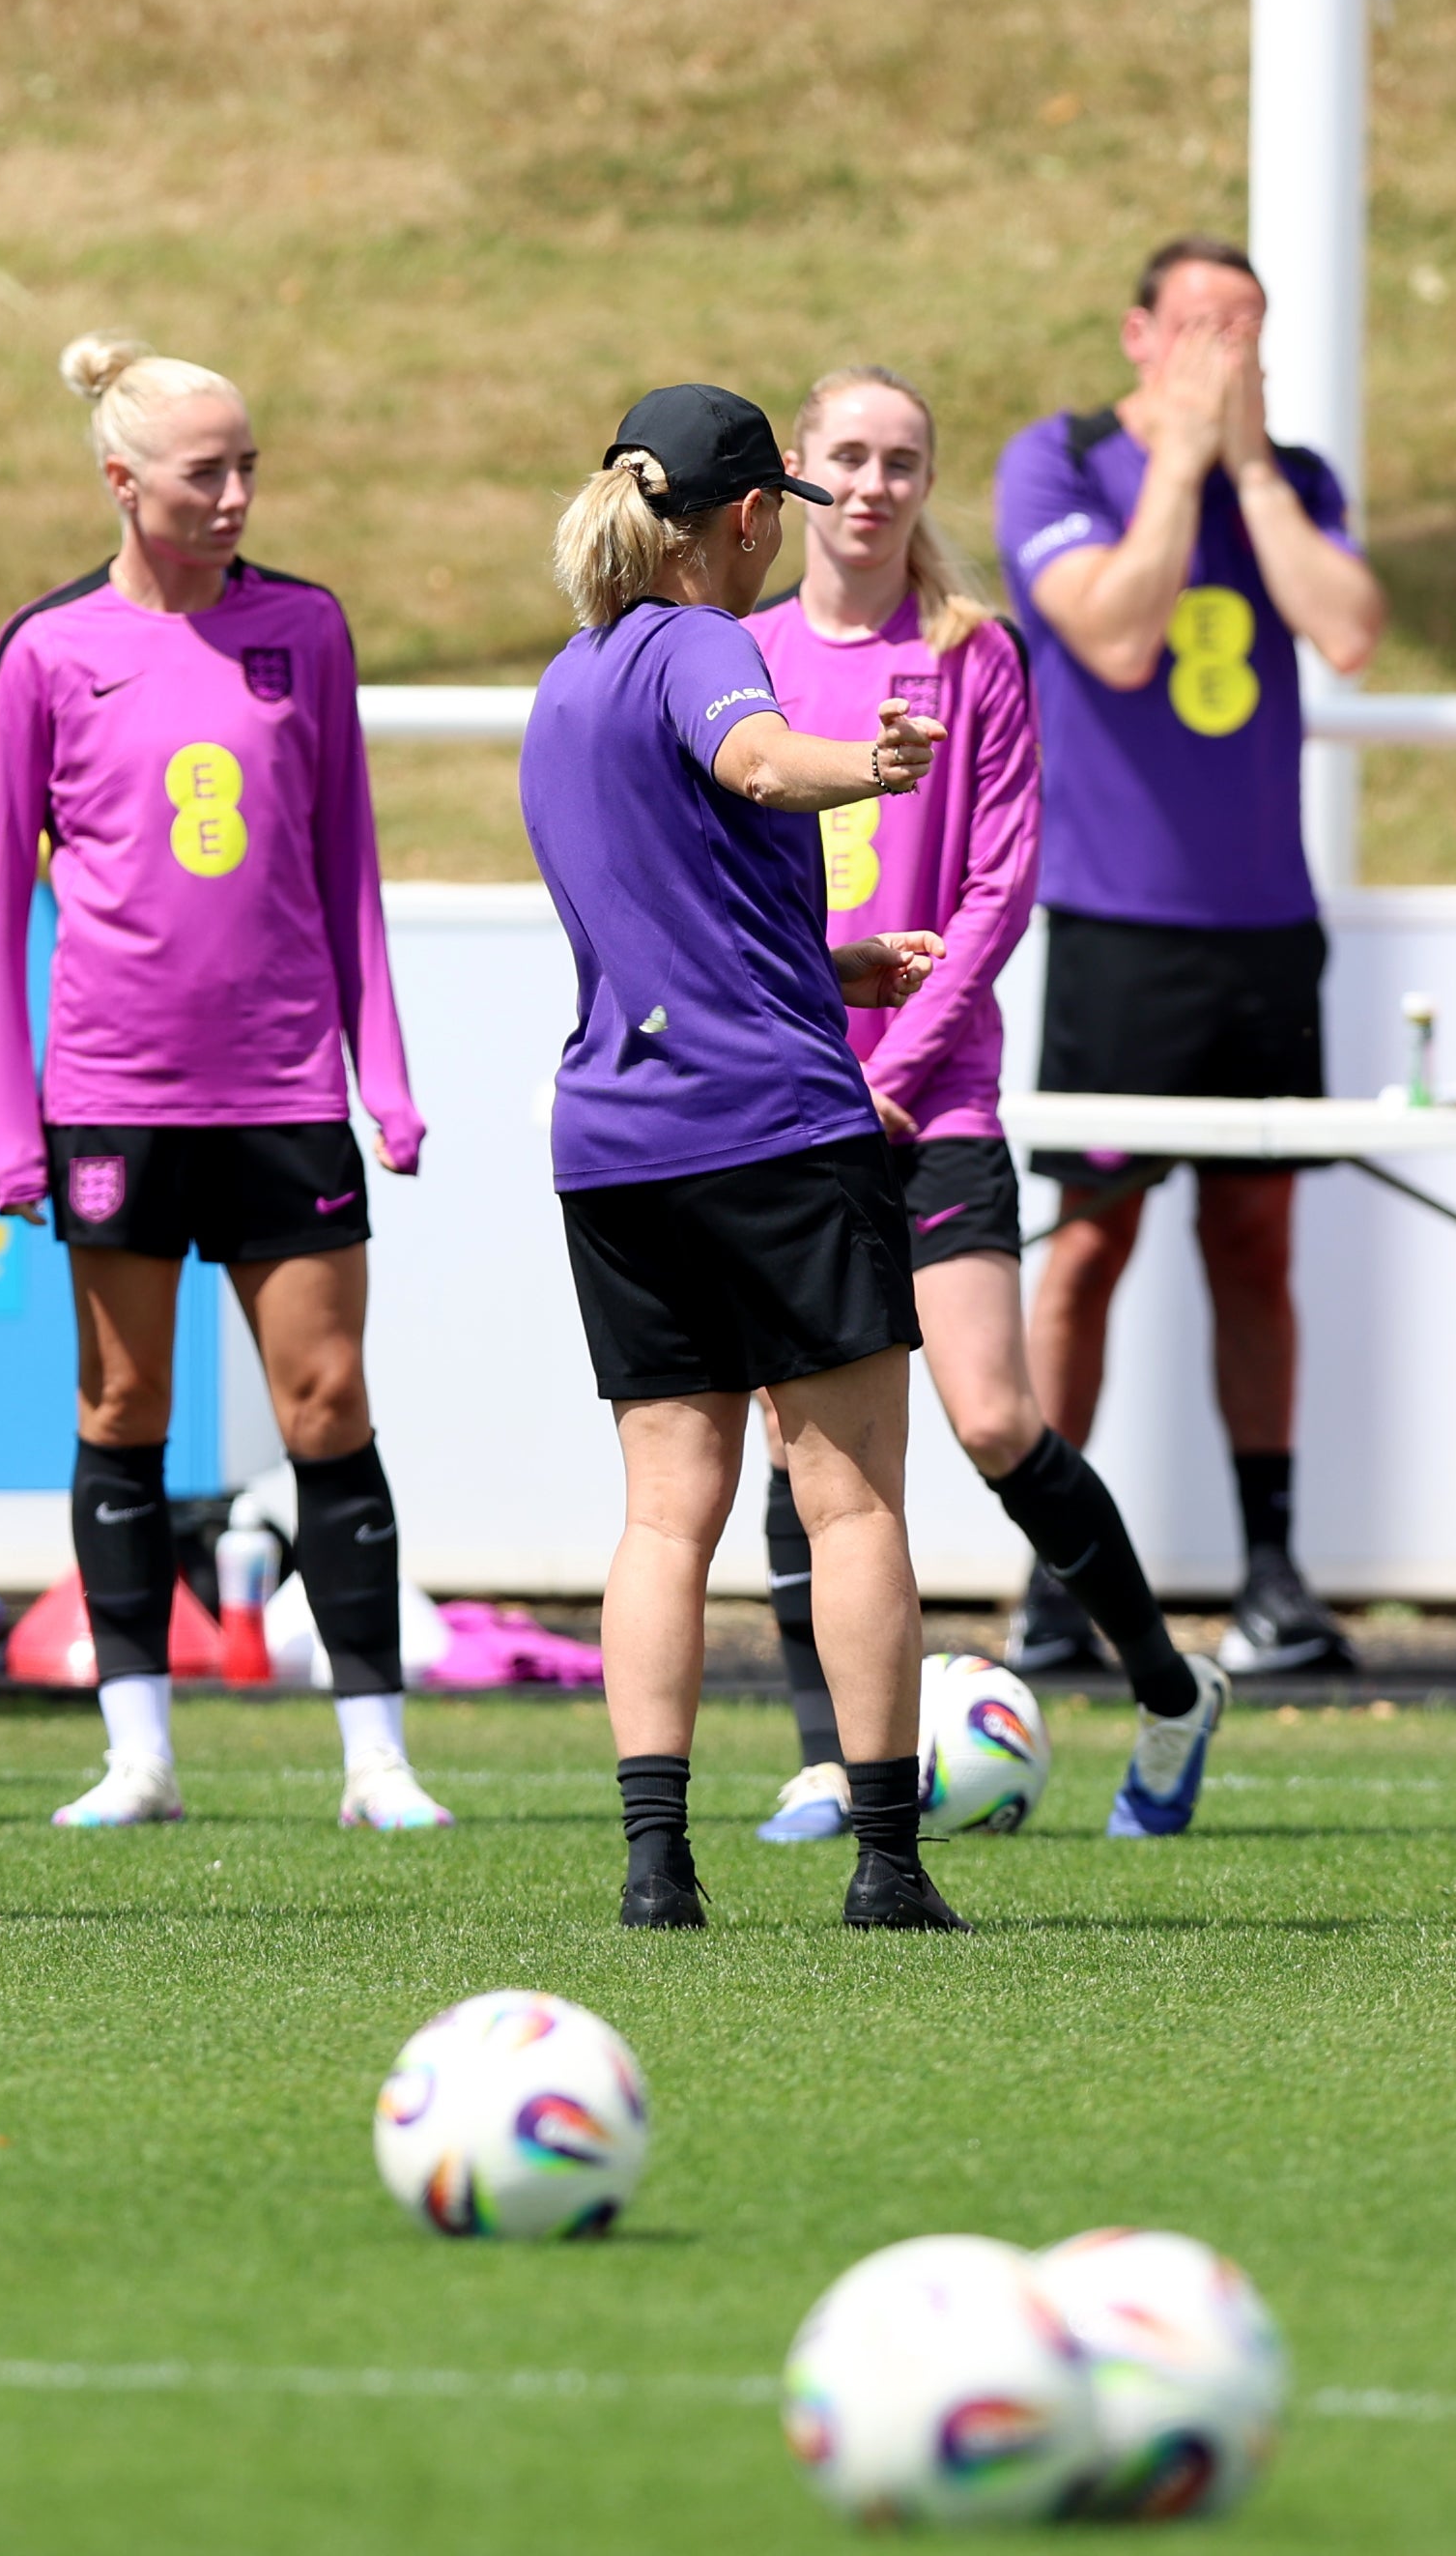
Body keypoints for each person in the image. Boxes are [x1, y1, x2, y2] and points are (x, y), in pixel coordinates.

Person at [0, 331, 443, 1836]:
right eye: (202, 472)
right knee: (125, 1402)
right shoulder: (50, 649)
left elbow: (347, 863)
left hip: (284, 1090)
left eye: (248, 468)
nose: (234, 495)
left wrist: (385, 1076)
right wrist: (8, 1125)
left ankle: (376, 1762)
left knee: (329, 1401)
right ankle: (139, 1757)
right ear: (122, 481)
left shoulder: (308, 629)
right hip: (115, 1095)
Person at [741, 365, 1228, 1847]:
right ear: (797, 474)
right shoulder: (739, 653)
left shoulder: (973, 653)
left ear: (927, 483)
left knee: (996, 1416)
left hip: (928, 1100)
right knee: (799, 1439)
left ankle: (1171, 1692)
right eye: (847, 455)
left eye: (901, 460)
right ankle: (832, 1761)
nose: (873, 484)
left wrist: (892, 1073)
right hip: (787, 1103)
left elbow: (998, 889)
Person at [525, 387, 956, 1933]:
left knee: (662, 1516)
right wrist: (876, 765)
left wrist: (829, 969)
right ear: (753, 516)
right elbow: (763, 766)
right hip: (769, 1132)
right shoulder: (706, 643)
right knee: (851, 1504)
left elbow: (661, 912)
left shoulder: (567, 679)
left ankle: (658, 1868)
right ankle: (887, 1865)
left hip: (616, 1142)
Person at [1001, 237, 1388, 1681]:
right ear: (1139, 334)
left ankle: (1271, 1570)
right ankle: (1056, 1577)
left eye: (1248, 328)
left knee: (1254, 1244)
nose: (1228, 355)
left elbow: (1348, 629)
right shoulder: (1062, 459)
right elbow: (1111, 636)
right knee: (1088, 1244)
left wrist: (1255, 471)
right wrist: (1177, 461)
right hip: (1117, 922)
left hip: (1264, 928)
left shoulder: (1295, 478)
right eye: (1200, 327)